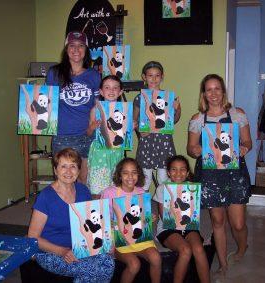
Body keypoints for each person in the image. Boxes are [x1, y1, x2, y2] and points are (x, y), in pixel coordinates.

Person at [187, 74, 252, 276]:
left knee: (238, 223)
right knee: (217, 221)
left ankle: (242, 248)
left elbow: (248, 142)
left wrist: (243, 149)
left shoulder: (237, 114)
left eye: (217, 89)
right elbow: (190, 148)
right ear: (204, 94)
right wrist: (196, 150)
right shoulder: (198, 119)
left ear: (223, 91)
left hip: (234, 173)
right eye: (209, 89)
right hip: (210, 174)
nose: (213, 93)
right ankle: (223, 263)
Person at [28, 148, 114, 282]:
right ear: (55, 170)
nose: (68, 171)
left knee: (108, 262)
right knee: (93, 268)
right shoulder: (45, 197)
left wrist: (106, 243)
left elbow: (92, 222)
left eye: (73, 166)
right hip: (51, 251)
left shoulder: (83, 190)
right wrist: (63, 251)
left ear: (79, 170)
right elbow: (32, 237)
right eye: (63, 166)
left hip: (80, 248)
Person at [46, 31, 101, 184]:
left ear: (86, 50)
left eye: (81, 45)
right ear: (66, 49)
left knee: (84, 182)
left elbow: (97, 105)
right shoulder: (54, 73)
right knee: (63, 181)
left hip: (88, 135)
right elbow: (47, 101)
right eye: (72, 45)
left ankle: (80, 209)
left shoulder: (94, 75)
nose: (76, 49)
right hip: (63, 135)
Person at [101, 157, 162, 283]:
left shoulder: (141, 192)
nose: (130, 176)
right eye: (125, 173)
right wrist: (111, 227)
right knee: (134, 265)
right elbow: (102, 218)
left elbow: (142, 218)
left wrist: (149, 219)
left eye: (134, 172)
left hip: (140, 238)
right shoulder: (109, 193)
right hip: (119, 239)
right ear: (119, 175)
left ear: (138, 174)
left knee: (156, 258)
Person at [153, 155, 210, 283]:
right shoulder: (162, 188)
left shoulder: (192, 188)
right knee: (185, 250)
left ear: (187, 172)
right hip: (168, 228)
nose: (178, 173)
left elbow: (194, 210)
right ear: (168, 172)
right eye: (174, 169)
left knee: (199, 249)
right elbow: (164, 215)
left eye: (182, 169)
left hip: (188, 226)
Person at [133, 61, 181, 191]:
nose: (154, 79)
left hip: (164, 143)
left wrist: (177, 109)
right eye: (150, 75)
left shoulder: (168, 97)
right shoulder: (139, 98)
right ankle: (144, 209)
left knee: (163, 180)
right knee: (144, 181)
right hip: (146, 143)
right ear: (144, 77)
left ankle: (165, 210)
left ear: (162, 77)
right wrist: (138, 130)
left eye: (157, 75)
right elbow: (134, 120)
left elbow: (174, 120)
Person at [86, 75, 125, 199]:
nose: (111, 90)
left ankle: (114, 212)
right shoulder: (95, 109)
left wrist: (131, 126)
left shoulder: (124, 110)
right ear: (101, 92)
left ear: (120, 92)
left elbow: (125, 132)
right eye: (107, 88)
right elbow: (88, 133)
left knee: (115, 185)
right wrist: (92, 127)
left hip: (116, 152)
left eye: (115, 88)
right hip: (99, 154)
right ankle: (98, 211)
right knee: (97, 187)